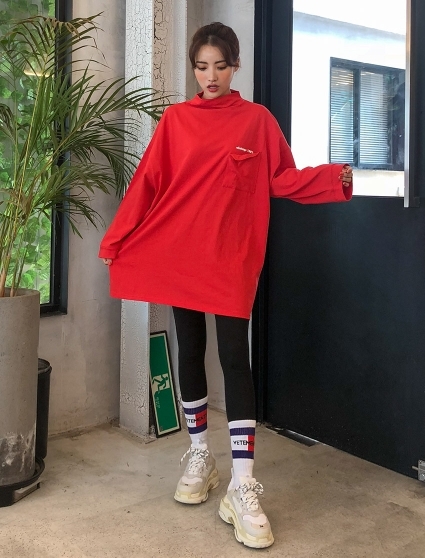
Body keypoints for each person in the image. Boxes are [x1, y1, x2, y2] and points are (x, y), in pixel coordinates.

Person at [99, 22, 353, 549]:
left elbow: (280, 178)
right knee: (189, 348)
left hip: (231, 258)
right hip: (181, 253)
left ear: (235, 65)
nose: (210, 77)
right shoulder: (176, 121)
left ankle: (242, 484)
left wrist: (333, 179)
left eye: (219, 66)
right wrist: (118, 237)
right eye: (201, 67)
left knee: (236, 358)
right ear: (193, 68)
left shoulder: (257, 121)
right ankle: (199, 456)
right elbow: (149, 181)